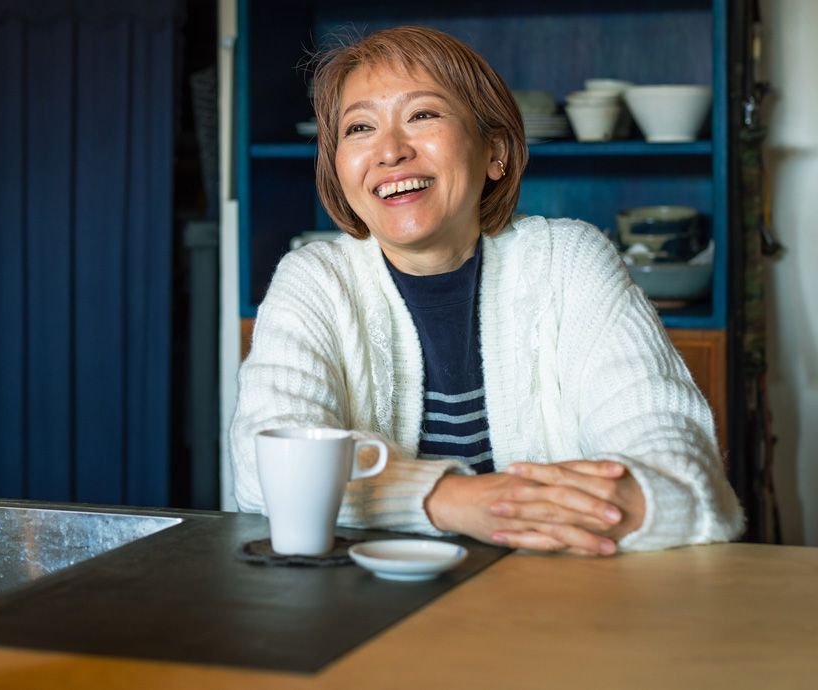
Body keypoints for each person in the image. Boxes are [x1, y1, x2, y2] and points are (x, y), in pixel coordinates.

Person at [229, 26, 744, 555]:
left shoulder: (570, 262)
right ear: (338, 169)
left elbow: (686, 471)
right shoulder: (313, 280)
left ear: (494, 150)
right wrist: (452, 499)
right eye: (359, 127)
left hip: (558, 603)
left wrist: (623, 502)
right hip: (363, 610)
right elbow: (262, 467)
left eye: (422, 115)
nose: (389, 151)